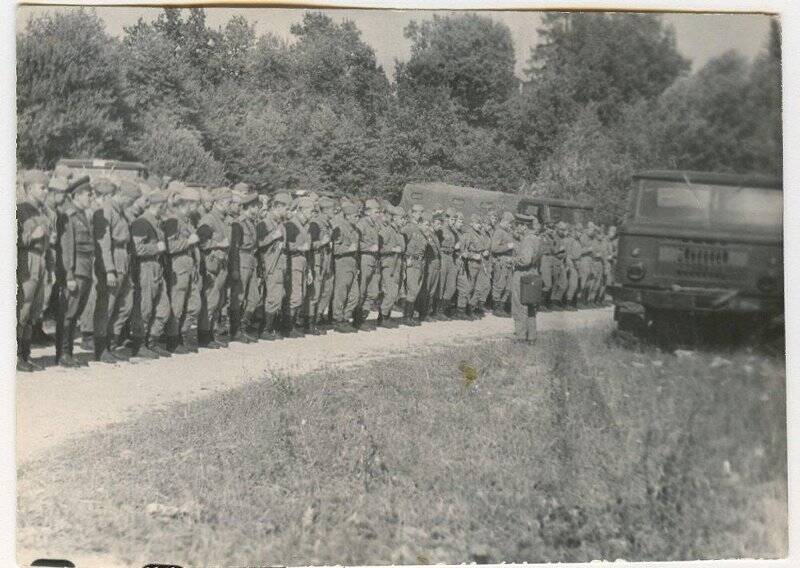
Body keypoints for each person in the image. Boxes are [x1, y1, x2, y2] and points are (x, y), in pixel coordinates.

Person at [57, 177, 95, 367]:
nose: (91, 197)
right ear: (77, 195)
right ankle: (64, 353)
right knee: (69, 313)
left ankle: (68, 352)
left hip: (85, 269)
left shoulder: (82, 215)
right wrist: (69, 275)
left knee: (76, 312)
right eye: (89, 194)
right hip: (76, 270)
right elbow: (67, 247)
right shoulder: (70, 215)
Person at [130, 191, 172, 358]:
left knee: (163, 307)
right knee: (144, 308)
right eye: (165, 205)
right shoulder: (142, 222)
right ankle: (139, 344)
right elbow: (136, 249)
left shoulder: (156, 222)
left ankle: (152, 340)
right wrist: (156, 248)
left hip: (156, 266)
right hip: (146, 267)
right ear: (159, 205)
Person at [17, 172, 51, 371]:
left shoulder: (42, 212)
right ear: (29, 188)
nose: (45, 192)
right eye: (42, 187)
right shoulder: (19, 210)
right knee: (22, 308)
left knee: (33, 311)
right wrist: (31, 236)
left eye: (46, 188)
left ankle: (25, 354)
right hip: (26, 260)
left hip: (41, 260)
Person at [162, 184, 202, 352]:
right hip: (178, 268)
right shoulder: (173, 220)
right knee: (177, 306)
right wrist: (188, 242)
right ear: (188, 203)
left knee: (194, 305)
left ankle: (181, 334)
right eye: (195, 204)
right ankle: (173, 340)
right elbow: (168, 246)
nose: (196, 208)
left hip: (189, 267)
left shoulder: (187, 221)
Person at [197, 187, 232, 348]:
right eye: (227, 202)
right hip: (211, 266)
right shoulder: (209, 220)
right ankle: (204, 336)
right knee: (210, 301)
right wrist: (218, 244)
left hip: (221, 266)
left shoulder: (223, 220)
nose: (229, 205)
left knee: (218, 301)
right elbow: (201, 242)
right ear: (218, 202)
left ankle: (210, 333)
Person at [255, 192, 289, 340]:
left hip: (280, 264)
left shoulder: (280, 224)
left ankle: (271, 326)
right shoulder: (265, 222)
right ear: (277, 206)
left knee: (278, 295)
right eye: (286, 208)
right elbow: (258, 243)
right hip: (269, 264)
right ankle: (265, 329)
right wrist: (272, 237)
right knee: (272, 296)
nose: (287, 212)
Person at [229, 192, 260, 343]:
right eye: (255, 206)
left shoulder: (251, 222)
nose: (257, 209)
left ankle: (243, 327)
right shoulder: (238, 223)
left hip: (251, 260)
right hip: (241, 260)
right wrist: (234, 268)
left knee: (254, 297)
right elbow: (234, 248)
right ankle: (235, 330)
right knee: (239, 297)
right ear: (249, 207)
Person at [510, 213, 544, 343]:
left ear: (524, 226)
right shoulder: (537, 238)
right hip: (534, 273)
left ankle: (520, 336)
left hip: (523, 274)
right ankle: (531, 336)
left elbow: (525, 260)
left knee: (520, 306)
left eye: (518, 225)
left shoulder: (527, 239)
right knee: (531, 306)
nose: (517, 227)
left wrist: (513, 260)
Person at [284, 196, 314, 338]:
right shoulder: (291, 225)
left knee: (300, 294)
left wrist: (308, 271)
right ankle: (288, 326)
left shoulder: (305, 226)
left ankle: (293, 324)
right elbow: (286, 245)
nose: (312, 214)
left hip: (302, 262)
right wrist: (299, 247)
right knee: (295, 295)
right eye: (310, 211)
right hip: (293, 261)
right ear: (301, 210)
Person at [330, 200, 361, 333]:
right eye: (355, 216)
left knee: (355, 295)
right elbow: (335, 249)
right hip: (342, 263)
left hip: (353, 264)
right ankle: (337, 320)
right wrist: (348, 248)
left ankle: (346, 317)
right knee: (341, 293)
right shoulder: (340, 228)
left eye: (358, 216)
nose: (357, 218)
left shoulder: (355, 230)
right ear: (347, 216)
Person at [356, 199, 382, 330]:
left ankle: (362, 318)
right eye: (376, 211)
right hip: (365, 258)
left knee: (373, 292)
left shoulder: (376, 225)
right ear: (368, 212)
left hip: (374, 260)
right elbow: (355, 242)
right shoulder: (362, 224)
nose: (379, 214)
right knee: (361, 291)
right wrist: (369, 247)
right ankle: (357, 320)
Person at [378, 205, 405, 327]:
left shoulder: (399, 233)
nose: (403, 221)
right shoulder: (387, 231)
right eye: (401, 218)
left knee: (394, 292)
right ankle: (383, 317)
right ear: (394, 218)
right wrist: (392, 248)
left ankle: (385, 316)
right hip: (389, 265)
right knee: (391, 293)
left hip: (398, 265)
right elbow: (379, 247)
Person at [401, 204, 427, 326]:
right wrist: (406, 258)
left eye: (421, 212)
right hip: (412, 261)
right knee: (412, 289)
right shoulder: (408, 228)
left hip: (420, 262)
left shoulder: (421, 228)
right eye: (417, 212)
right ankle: (407, 317)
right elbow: (402, 243)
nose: (419, 214)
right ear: (411, 213)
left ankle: (410, 315)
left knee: (416, 289)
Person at [490, 211, 515, 317]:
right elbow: (494, 248)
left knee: (508, 286)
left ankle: (502, 306)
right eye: (509, 223)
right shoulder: (499, 232)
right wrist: (508, 246)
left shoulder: (507, 232)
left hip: (509, 262)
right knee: (499, 285)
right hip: (501, 262)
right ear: (504, 221)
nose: (511, 225)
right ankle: (496, 308)